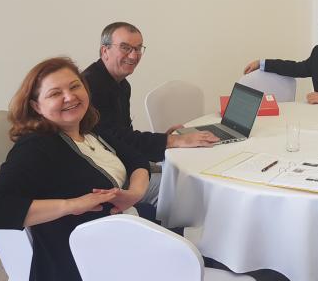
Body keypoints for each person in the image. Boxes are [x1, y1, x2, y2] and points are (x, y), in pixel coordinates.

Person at [0, 57, 152, 281]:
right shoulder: (37, 147)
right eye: (55, 93)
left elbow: (137, 159)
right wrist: (71, 205)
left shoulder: (90, 129)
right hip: (80, 271)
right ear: (37, 106)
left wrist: (134, 193)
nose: (70, 97)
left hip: (119, 244)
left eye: (75, 86)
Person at [82, 22, 218, 202]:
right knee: (185, 187)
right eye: (125, 48)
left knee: (182, 174)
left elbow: (124, 135)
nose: (133, 55)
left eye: (138, 48)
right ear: (104, 51)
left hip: (124, 161)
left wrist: (164, 138)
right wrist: (174, 140)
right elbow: (112, 140)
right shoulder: (91, 87)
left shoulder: (121, 84)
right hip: (108, 177)